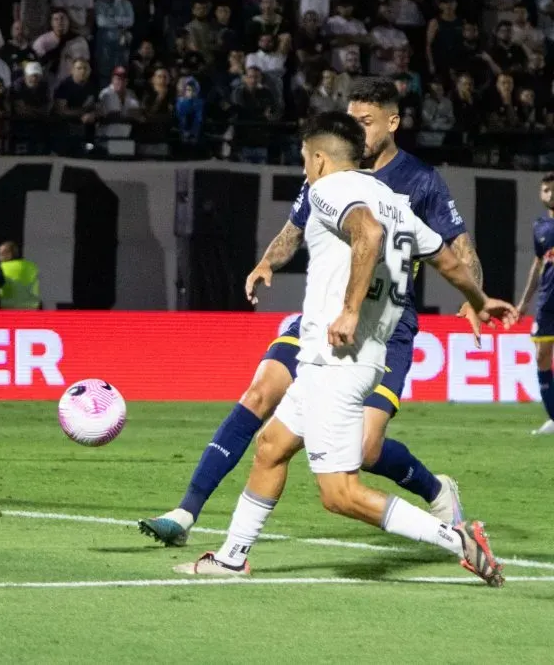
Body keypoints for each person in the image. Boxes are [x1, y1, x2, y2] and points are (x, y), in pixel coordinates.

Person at [172, 112, 515, 587]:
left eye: (304, 160)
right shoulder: (395, 201)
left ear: (318, 158)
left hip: (340, 357)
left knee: (339, 494)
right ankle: (232, 557)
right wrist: (480, 300)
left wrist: (351, 308)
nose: (305, 170)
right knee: (271, 446)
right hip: (342, 358)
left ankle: (458, 539)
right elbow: (447, 259)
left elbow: (367, 233)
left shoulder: (329, 191)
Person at [516, 173, 554, 434]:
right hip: (548, 301)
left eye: (553, 189)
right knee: (542, 357)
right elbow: (538, 265)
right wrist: (523, 303)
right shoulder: (540, 227)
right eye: (545, 190)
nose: (549, 194)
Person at [0, 241, 41, 309]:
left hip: (11, 309)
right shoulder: (31, 266)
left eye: (1, 254)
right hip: (32, 308)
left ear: (9, 254)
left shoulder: (4, 268)